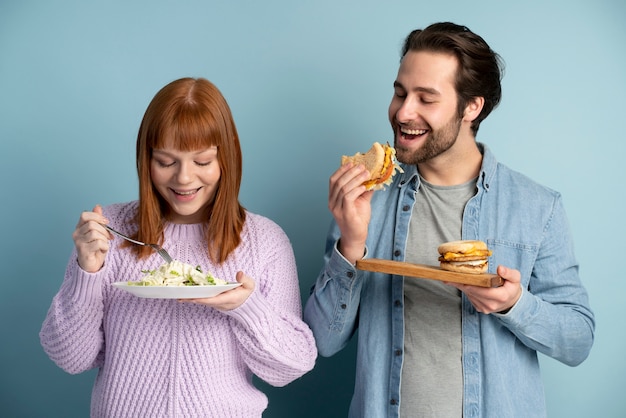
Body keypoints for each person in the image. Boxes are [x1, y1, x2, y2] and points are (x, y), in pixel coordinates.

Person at [303, 22, 594, 418]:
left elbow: (578, 341)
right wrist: (351, 245)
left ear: (471, 107)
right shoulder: (367, 200)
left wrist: (515, 305)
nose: (404, 112)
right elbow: (321, 341)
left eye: (426, 98)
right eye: (400, 93)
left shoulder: (537, 208)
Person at [40, 77, 317, 417]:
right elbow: (71, 358)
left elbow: (291, 367)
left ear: (226, 156)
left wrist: (246, 307)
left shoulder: (265, 241)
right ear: (146, 158)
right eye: (166, 162)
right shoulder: (110, 231)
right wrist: (88, 273)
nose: (184, 178)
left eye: (202, 162)